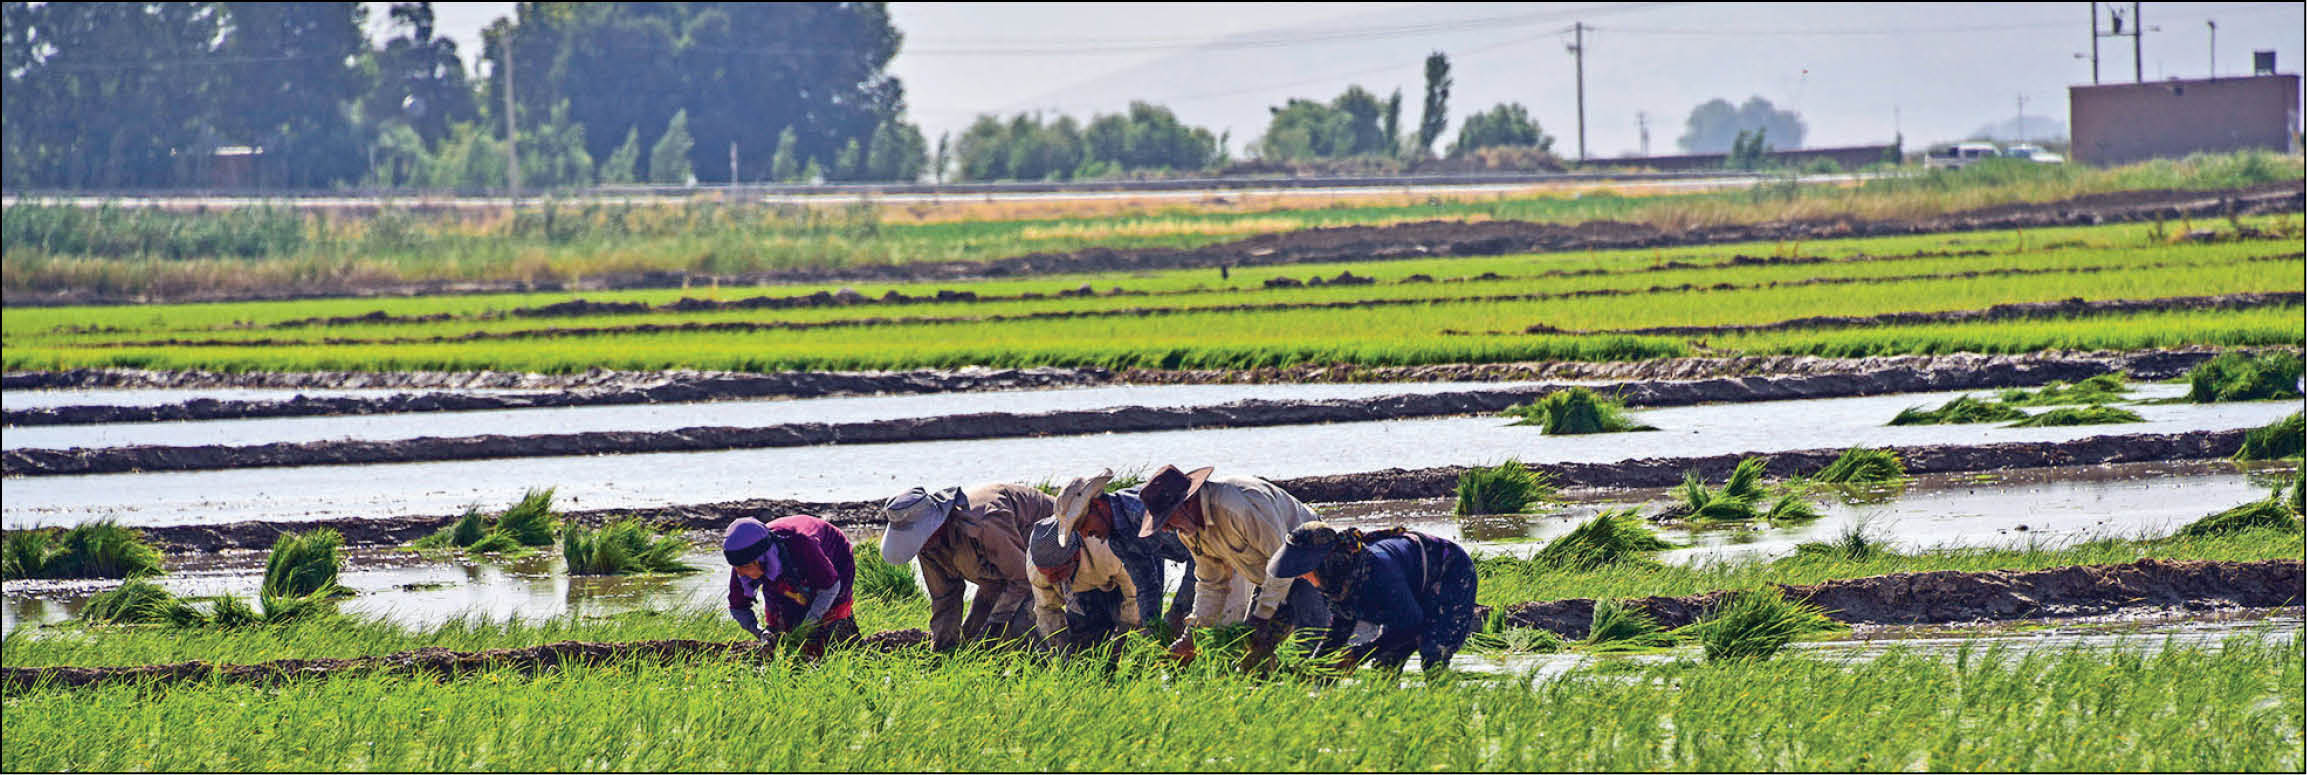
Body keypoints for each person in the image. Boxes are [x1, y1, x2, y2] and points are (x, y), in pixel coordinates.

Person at [1136, 465, 1329, 671]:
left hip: (1307, 561)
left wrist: (1262, 616)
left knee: (1312, 650)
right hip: (1267, 576)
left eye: (1167, 519)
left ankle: (1322, 691)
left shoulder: (1238, 508)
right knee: (1252, 659)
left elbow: (1283, 561)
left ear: (1187, 503)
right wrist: (1191, 636)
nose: (1166, 529)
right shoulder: (1189, 532)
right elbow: (1212, 584)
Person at [1265, 522, 1479, 674]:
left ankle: (1447, 720)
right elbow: (1342, 622)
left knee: (1434, 656)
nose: (1301, 575)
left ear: (1323, 562)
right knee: (1384, 667)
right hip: (1409, 588)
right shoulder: (1333, 580)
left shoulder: (1377, 575)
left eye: (1304, 569)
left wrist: (1358, 655)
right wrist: (1317, 664)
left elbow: (1411, 623)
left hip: (1449, 571)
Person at [1052, 469, 1234, 635]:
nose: (1085, 534)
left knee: (1228, 628)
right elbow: (1146, 584)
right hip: (1208, 565)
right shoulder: (1116, 539)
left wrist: (1177, 610)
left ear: (1098, 506)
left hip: (1227, 548)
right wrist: (1152, 629)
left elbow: (1201, 557)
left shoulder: (1141, 513)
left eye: (1082, 524)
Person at [880, 482, 1049, 651]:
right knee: (971, 639)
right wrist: (942, 649)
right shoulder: (927, 547)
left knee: (1018, 626)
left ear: (934, 524)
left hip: (1053, 547)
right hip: (1005, 574)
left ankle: (1055, 664)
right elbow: (945, 597)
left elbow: (1023, 578)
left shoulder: (982, 523)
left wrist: (995, 623)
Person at [723, 515, 858, 655]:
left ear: (761, 560)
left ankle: (848, 648)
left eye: (744, 567)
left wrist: (807, 626)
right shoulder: (741, 562)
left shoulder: (802, 544)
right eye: (736, 567)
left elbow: (830, 587)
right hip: (782, 563)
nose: (740, 574)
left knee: (829, 621)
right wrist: (760, 632)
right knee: (781, 625)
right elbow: (738, 607)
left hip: (833, 554)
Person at [1026, 516, 1139, 652]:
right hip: (1086, 582)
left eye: (1057, 573)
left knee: (1138, 635)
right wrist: (1061, 650)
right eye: (1046, 574)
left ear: (1075, 556)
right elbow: (1047, 611)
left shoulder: (1107, 551)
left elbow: (1136, 593)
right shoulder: (1036, 571)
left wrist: (1124, 635)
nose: (1051, 580)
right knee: (1084, 641)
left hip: (1139, 555)